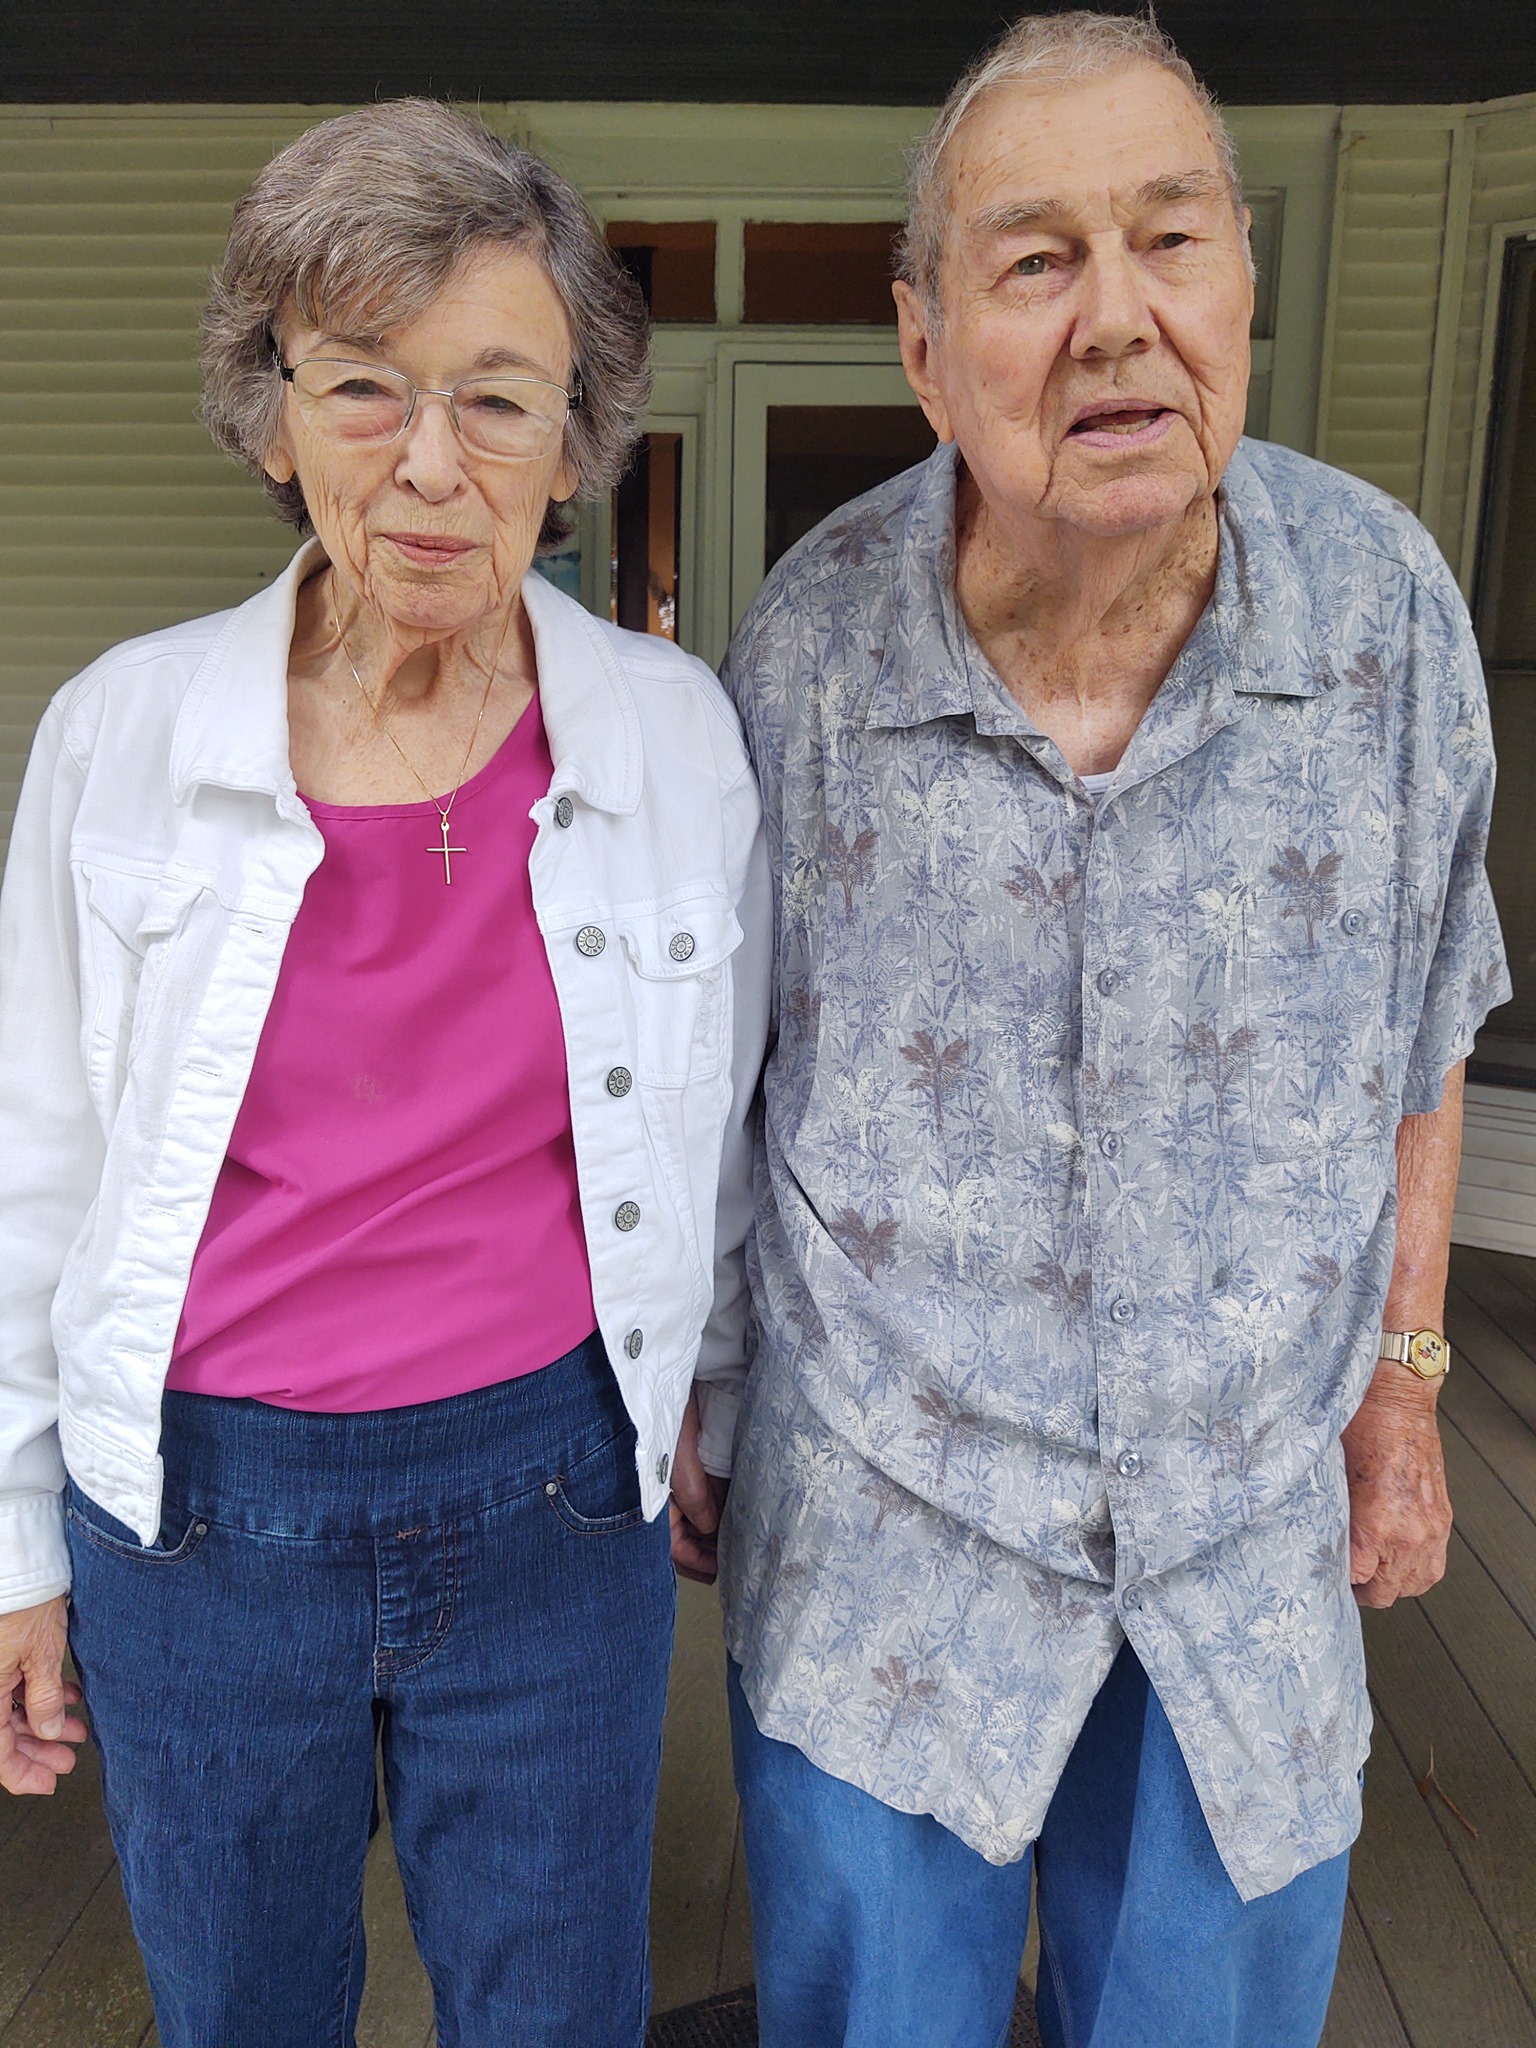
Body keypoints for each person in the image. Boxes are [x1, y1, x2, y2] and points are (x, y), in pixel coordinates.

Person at [702, 14, 1510, 2048]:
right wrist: (710, 1383)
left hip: (1243, 1541)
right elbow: (719, 1076)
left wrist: (1407, 1384)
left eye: (1171, 239)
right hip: (891, 1538)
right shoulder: (807, 653)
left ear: (1242, 283)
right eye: (1038, 261)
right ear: (924, 348)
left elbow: (1429, 1013)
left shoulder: (1389, 617)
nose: (1119, 320)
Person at [0, 97, 768, 2048]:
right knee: (243, 2010)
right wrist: (10, 1543)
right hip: (201, 1514)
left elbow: (719, 1116)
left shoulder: (674, 737)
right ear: (275, 417)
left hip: (557, 1496)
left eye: (498, 399)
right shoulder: (118, 737)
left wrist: (711, 1395)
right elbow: (33, 1163)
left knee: (558, 2011)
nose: (432, 461)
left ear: (574, 444)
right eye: (364, 386)